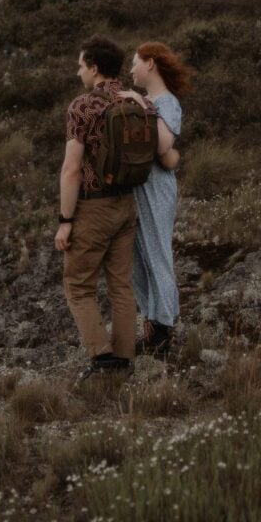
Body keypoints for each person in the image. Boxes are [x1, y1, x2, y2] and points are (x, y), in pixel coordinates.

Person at [54, 35, 177, 379]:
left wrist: (66, 220)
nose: (78, 72)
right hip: (128, 205)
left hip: (94, 207)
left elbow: (71, 169)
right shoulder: (139, 101)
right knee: (121, 285)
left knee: (78, 285)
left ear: (94, 68)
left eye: (80, 66)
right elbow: (163, 149)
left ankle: (102, 357)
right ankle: (125, 360)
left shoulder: (83, 106)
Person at [120, 42, 193, 356]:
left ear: (150, 63)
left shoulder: (166, 102)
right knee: (137, 258)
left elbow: (163, 145)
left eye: (135, 62)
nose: (131, 69)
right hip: (135, 189)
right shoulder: (149, 101)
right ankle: (151, 323)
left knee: (157, 252)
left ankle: (163, 327)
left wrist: (140, 104)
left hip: (156, 189)